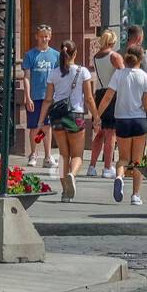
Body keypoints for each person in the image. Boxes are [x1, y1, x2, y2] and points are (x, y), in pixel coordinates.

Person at [39, 41, 97, 203]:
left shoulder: (54, 73)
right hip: (75, 116)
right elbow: (89, 99)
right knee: (77, 155)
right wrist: (96, 117)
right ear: (75, 54)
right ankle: (72, 174)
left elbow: (47, 100)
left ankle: (65, 192)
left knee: (64, 155)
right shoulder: (82, 71)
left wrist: (40, 121)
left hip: (57, 116)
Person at [98, 47, 147, 206]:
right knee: (137, 160)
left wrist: (97, 115)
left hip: (121, 120)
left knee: (123, 158)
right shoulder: (146, 78)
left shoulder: (118, 74)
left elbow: (108, 96)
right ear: (141, 59)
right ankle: (135, 196)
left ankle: (119, 177)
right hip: (139, 121)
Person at [21, 25, 59, 168]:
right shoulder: (30, 55)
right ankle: (33, 154)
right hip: (35, 96)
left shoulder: (56, 55)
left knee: (47, 127)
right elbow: (26, 77)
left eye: (46, 36)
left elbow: (58, 76)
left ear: (50, 37)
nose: (44, 39)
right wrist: (27, 96)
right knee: (34, 127)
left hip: (49, 97)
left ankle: (48, 157)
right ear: (36, 36)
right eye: (41, 36)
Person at [87, 30, 124, 178]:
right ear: (113, 42)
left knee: (100, 132)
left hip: (100, 93)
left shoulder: (96, 57)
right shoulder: (115, 56)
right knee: (111, 132)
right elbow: (123, 75)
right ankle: (108, 167)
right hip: (112, 94)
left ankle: (92, 166)